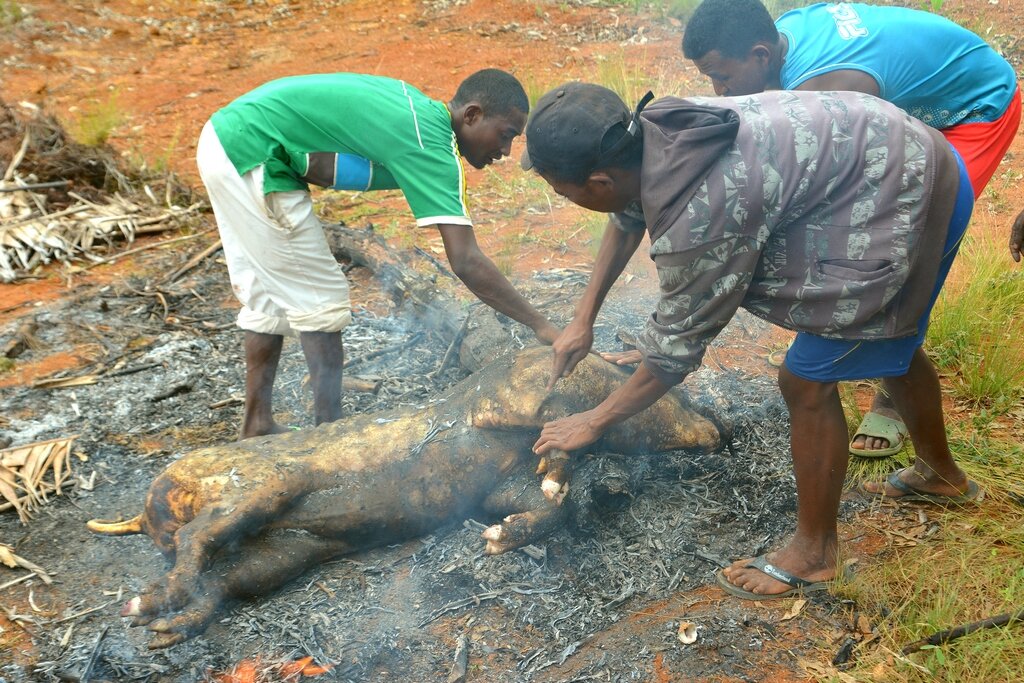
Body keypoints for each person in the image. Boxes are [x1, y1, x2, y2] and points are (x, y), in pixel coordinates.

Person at [524, 82, 980, 599]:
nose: (565, 199)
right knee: (881, 340)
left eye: (563, 192)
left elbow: (675, 353)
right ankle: (941, 476)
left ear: (599, 180)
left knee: (806, 379)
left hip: (908, 194)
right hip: (898, 155)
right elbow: (628, 214)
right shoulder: (654, 133)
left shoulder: (700, 215)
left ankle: (815, 555)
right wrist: (582, 319)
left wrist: (594, 419)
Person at [681, 0, 1021, 458]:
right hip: (909, 102)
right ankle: (896, 364)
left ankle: (896, 384)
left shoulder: (827, 87)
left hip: (972, 108)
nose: (720, 90)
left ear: (761, 55)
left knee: (913, 242)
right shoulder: (779, 41)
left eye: (722, 76)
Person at [197, 69, 559, 439]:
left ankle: (257, 425)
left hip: (231, 139)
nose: (506, 151)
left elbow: (324, 165)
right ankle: (330, 439)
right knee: (322, 301)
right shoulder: (431, 142)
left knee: (266, 297)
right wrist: (542, 325)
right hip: (252, 152)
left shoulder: (417, 112)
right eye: (506, 135)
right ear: (472, 115)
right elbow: (465, 260)